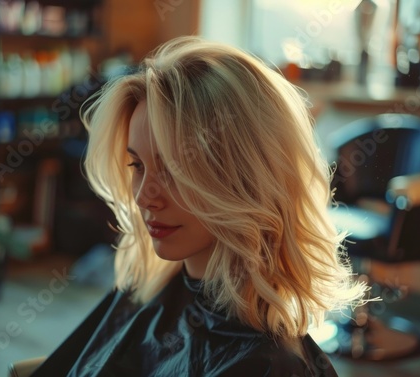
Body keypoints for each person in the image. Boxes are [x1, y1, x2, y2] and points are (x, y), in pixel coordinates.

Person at [31, 36, 366, 377]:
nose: (145, 196)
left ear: (245, 179)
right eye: (137, 166)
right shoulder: (146, 289)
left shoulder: (268, 366)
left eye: (175, 170)